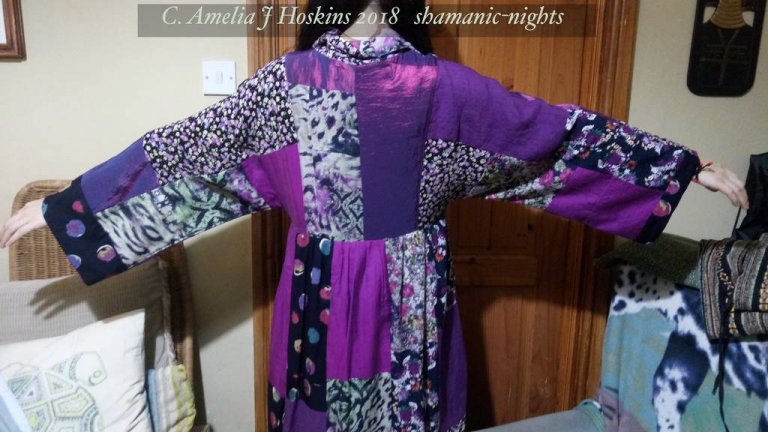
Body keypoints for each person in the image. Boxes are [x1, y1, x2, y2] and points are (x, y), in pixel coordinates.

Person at [0, 0, 750, 431]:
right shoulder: (435, 86)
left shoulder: (305, 86)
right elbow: (550, 137)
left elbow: (548, 137)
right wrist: (680, 166)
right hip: (404, 296)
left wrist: (71, 211)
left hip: (325, 296)